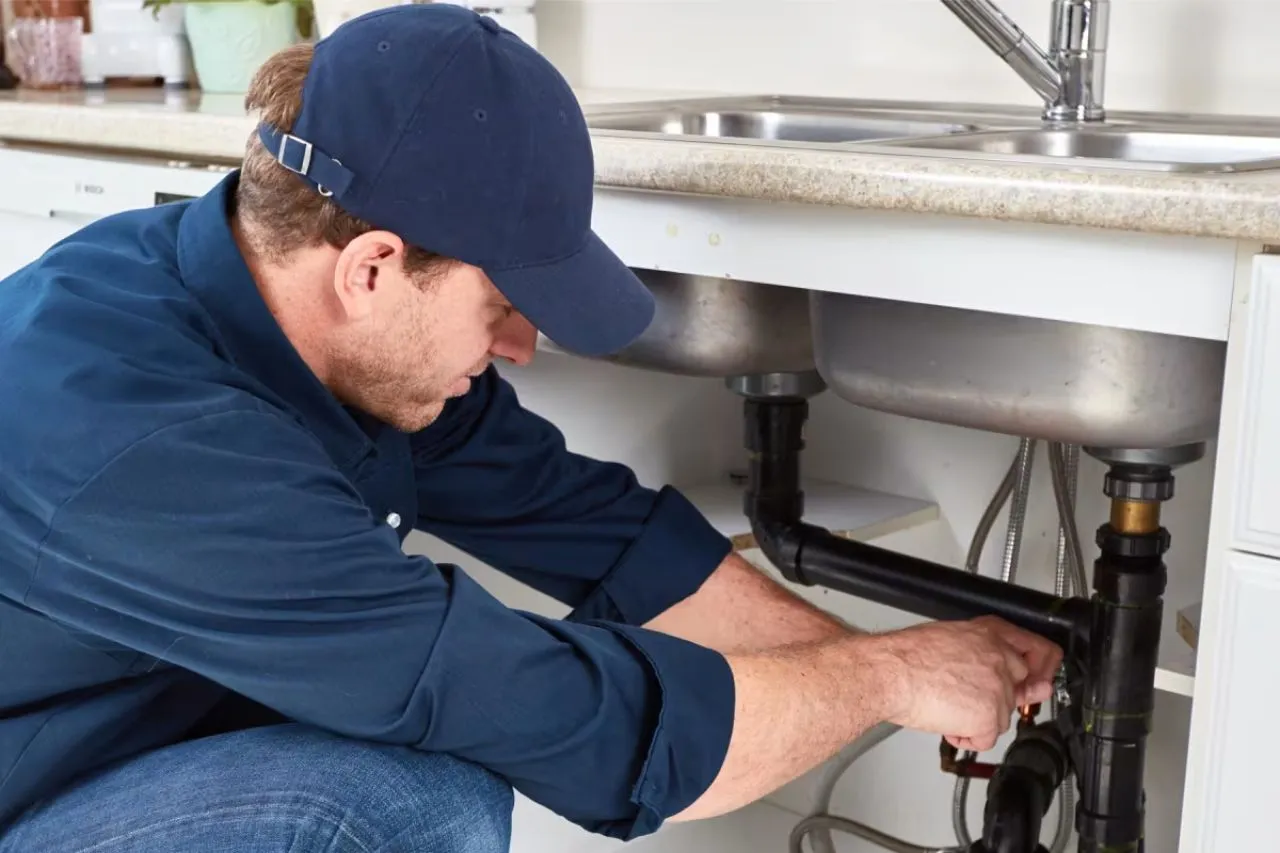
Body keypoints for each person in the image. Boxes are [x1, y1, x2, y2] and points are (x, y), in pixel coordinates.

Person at [0, 5, 1063, 851]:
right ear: (372, 266)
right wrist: (886, 679)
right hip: (32, 797)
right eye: (500, 301)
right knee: (407, 802)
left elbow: (600, 534)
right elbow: (586, 734)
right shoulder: (148, 444)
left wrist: (894, 664)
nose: (518, 348)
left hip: (124, 739)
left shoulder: (306, 320)